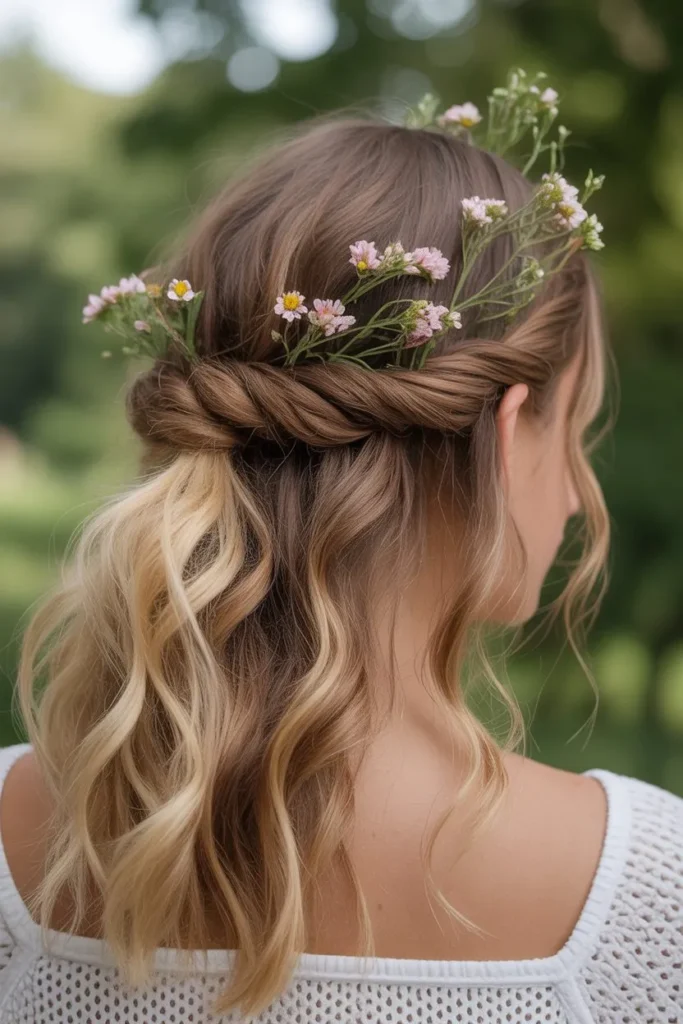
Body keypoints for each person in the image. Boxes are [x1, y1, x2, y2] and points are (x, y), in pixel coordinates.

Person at [0, 72, 681, 1024]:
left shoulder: (11, 833)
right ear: (504, 428)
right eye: (572, 433)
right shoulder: (650, 904)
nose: (574, 493)